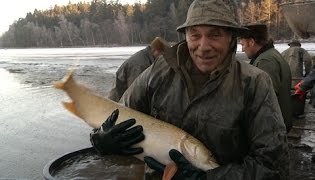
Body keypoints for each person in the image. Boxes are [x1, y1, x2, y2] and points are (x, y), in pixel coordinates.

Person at [90, 0, 289, 179]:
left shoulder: (254, 83)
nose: (203, 46)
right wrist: (100, 138)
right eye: (195, 35)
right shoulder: (158, 72)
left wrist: (210, 178)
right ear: (186, 36)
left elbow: (273, 165)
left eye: (215, 35)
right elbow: (115, 114)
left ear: (231, 39)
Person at [239, 24, 292, 132]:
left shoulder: (265, 61)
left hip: (273, 126)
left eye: (243, 44)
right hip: (278, 121)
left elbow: (265, 99)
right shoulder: (270, 55)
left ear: (251, 42)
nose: (243, 49)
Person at [108, 37, 170, 102]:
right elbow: (134, 94)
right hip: (118, 103)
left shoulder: (147, 58)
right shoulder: (140, 65)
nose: (164, 59)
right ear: (155, 50)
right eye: (163, 55)